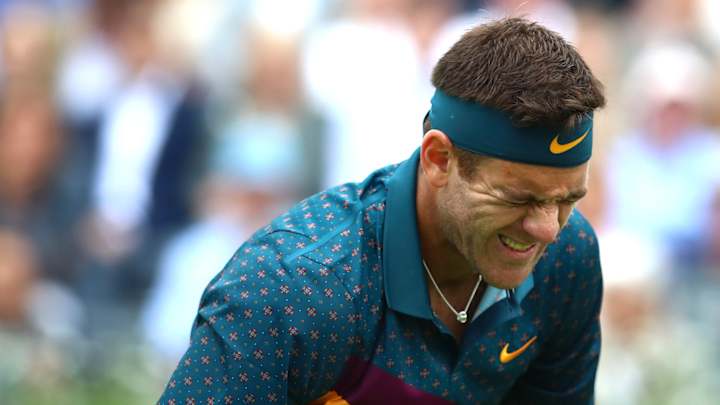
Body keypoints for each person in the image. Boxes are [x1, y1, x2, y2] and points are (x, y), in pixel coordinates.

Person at [157, 17, 606, 404]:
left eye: (567, 200)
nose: (547, 229)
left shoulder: (568, 258)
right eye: (518, 198)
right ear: (439, 160)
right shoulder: (291, 289)